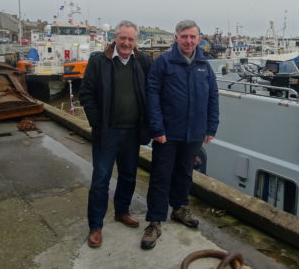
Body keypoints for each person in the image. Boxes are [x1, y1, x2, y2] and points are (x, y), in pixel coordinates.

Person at [141, 19, 219, 250]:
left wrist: (211, 127)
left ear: (199, 38)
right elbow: (152, 95)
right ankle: (155, 221)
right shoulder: (164, 62)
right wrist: (157, 128)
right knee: (161, 176)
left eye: (192, 37)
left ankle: (179, 208)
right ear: (176, 38)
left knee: (185, 173)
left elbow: (213, 96)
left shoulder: (204, 64)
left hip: (194, 132)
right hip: (168, 133)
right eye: (184, 36)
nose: (188, 41)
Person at [79, 20, 151, 248]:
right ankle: (96, 226)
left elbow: (151, 92)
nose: (126, 43)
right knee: (101, 178)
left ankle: (122, 211)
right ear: (115, 38)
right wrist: (98, 123)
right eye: (123, 38)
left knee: (129, 175)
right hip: (107, 132)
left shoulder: (143, 62)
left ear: (135, 41)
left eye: (131, 39)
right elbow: (86, 94)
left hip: (132, 132)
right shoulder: (99, 62)